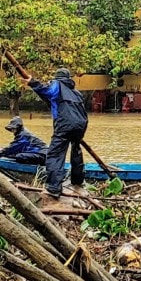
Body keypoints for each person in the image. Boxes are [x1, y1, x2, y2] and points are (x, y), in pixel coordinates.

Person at [28, 67, 90, 202]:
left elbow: (47, 90)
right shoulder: (77, 93)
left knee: (55, 154)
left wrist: (33, 82)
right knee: (76, 150)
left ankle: (54, 187)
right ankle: (77, 180)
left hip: (65, 124)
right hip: (81, 124)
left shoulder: (57, 85)